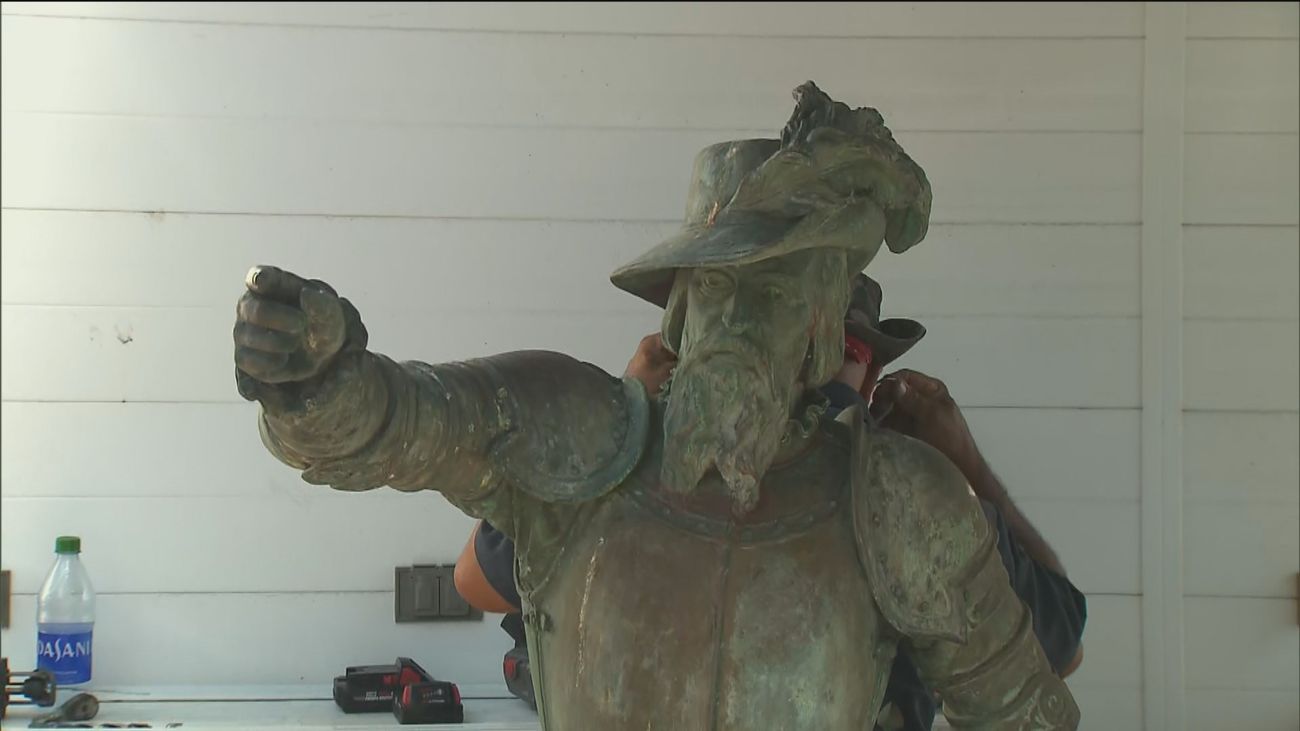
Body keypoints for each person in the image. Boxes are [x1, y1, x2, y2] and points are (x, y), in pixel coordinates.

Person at [233, 81, 1079, 728]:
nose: (740, 322)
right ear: (676, 304)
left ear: (827, 325)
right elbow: (397, 423)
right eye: (718, 284)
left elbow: (1024, 705)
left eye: (777, 288)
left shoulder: (901, 506)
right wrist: (312, 379)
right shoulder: (579, 431)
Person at [455, 275, 1088, 729]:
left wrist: (625, 416)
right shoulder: (909, 492)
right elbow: (1062, 650)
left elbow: (477, 583)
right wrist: (966, 467)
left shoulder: (901, 492)